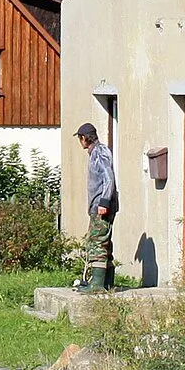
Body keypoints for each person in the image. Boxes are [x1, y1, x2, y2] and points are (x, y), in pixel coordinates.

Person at [74, 121, 117, 291]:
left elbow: (108, 177)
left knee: (97, 242)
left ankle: (97, 285)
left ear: (84, 138)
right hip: (98, 205)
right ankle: (107, 282)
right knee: (104, 241)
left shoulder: (99, 153)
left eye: (80, 138)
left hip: (101, 205)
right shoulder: (96, 152)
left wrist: (104, 202)